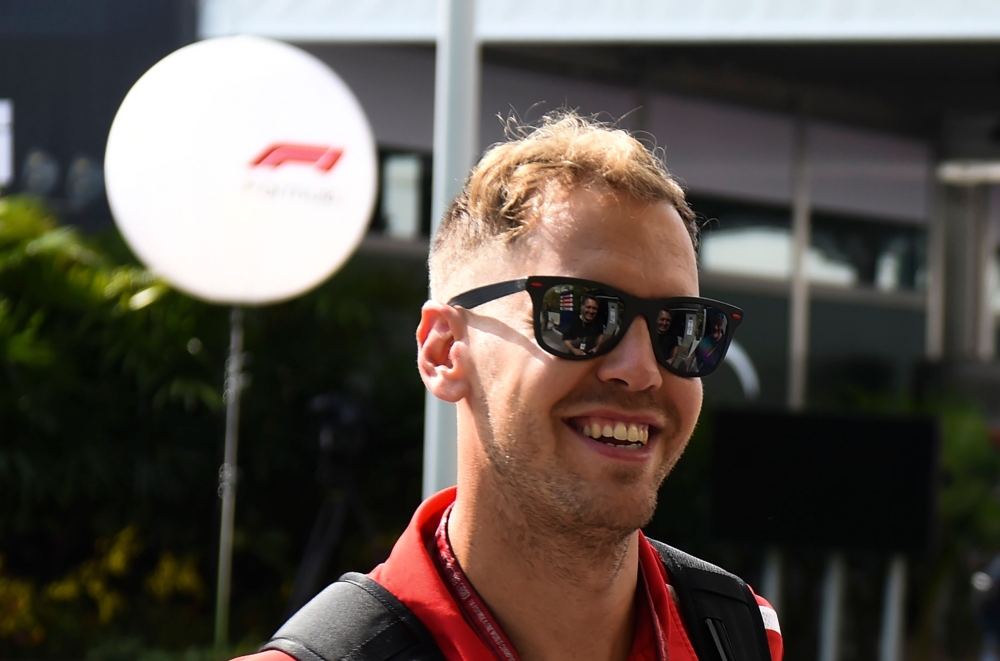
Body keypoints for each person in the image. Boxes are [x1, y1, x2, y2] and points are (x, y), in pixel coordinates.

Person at [237, 112, 782, 661]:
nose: (641, 370)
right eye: (579, 316)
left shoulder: (740, 636)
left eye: (678, 327)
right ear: (445, 350)